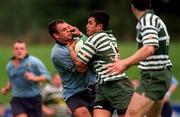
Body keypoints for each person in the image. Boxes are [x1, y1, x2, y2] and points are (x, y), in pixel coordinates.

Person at [106, 0, 173, 116]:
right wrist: (126, 63)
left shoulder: (146, 20)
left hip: (154, 77)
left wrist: (124, 63)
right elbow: (152, 54)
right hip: (160, 75)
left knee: (131, 115)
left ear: (133, 7)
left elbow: (149, 48)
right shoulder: (153, 19)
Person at [67, 10, 134, 117]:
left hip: (117, 85)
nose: (86, 26)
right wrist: (80, 34)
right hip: (103, 86)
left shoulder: (95, 38)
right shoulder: (109, 36)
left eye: (90, 23)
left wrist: (71, 49)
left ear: (99, 26)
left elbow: (79, 64)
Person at [48, 19, 96, 117]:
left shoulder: (79, 39)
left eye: (68, 27)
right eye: (64, 30)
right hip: (74, 92)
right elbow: (81, 70)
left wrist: (81, 35)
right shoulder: (57, 53)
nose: (69, 30)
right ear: (56, 35)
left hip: (92, 88)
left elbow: (95, 47)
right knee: (84, 114)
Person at [1, 40, 51, 117]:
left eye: (22, 48)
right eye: (17, 48)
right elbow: (11, 80)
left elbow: (47, 77)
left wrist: (34, 78)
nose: (19, 51)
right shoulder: (9, 65)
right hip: (17, 99)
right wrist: (7, 89)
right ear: (13, 50)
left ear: (26, 50)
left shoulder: (34, 62)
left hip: (34, 99)